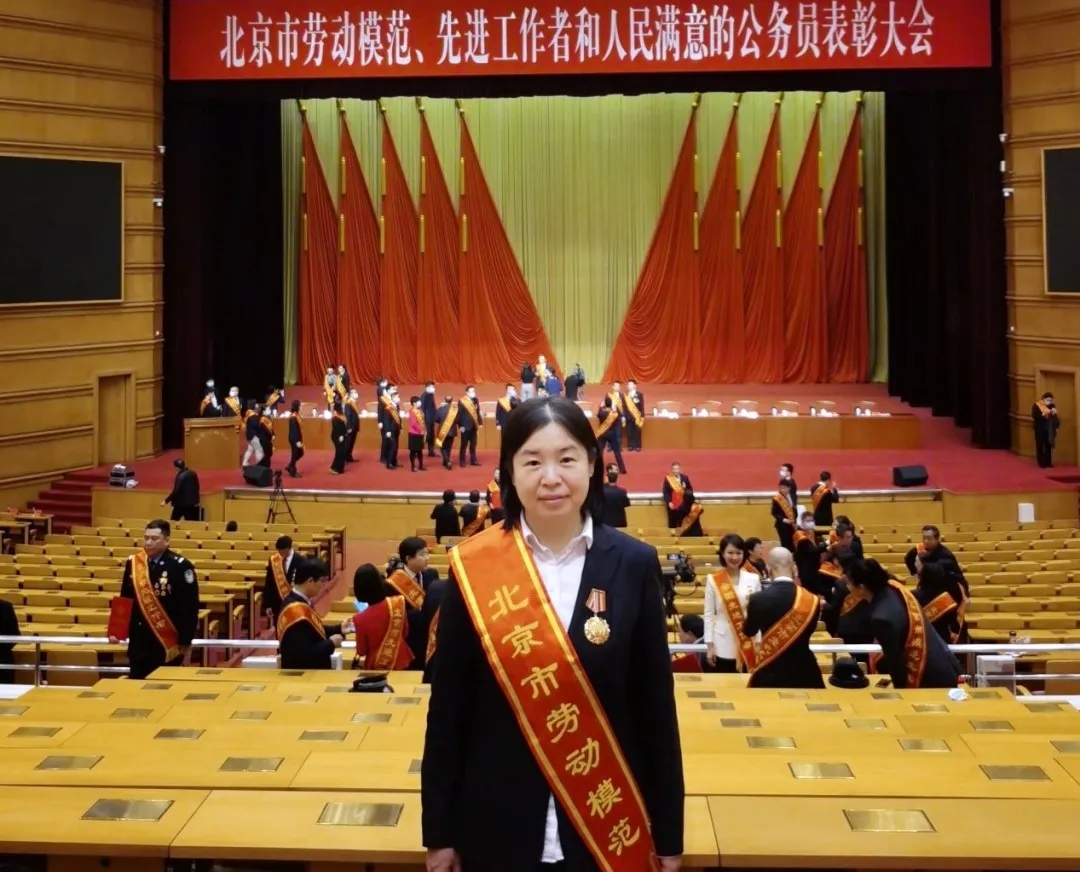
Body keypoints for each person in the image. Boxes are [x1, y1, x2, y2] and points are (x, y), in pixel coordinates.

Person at [422, 396, 684, 872]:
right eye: (532, 462)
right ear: (510, 471)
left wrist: (668, 836)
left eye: (566, 459)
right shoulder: (474, 567)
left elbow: (655, 714)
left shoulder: (634, 564)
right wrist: (438, 834)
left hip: (605, 829)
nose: (550, 478)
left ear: (591, 464)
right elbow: (448, 711)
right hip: (494, 830)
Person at [845, 557, 961, 689]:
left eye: (848, 583)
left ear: (861, 587)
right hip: (943, 661)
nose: (847, 587)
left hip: (929, 678)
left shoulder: (881, 619)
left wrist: (901, 693)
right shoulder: (893, 587)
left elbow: (895, 664)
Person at [114, 520, 200, 680]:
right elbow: (125, 598)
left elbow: (189, 607)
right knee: (136, 684)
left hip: (166, 641)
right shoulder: (134, 563)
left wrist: (185, 641)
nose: (148, 543)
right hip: (139, 640)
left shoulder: (180, 566)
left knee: (164, 686)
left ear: (166, 540)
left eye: (154, 539)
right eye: (146, 538)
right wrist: (117, 631)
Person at [742, 547, 824, 689]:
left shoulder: (757, 599)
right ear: (794, 568)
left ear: (769, 569)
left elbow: (749, 632)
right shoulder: (812, 600)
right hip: (805, 673)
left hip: (769, 670)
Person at [704, 533, 762, 673]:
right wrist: (709, 645)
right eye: (730, 553)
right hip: (722, 642)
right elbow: (709, 614)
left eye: (738, 553)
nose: (735, 557)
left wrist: (759, 639)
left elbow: (758, 613)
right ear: (722, 554)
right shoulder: (713, 580)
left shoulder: (754, 578)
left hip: (747, 639)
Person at [277, 559, 347, 670]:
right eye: (322, 581)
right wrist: (330, 644)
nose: (324, 586)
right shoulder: (294, 610)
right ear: (310, 581)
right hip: (304, 675)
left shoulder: (299, 600)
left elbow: (313, 629)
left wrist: (339, 628)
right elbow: (302, 653)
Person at [349, 563, 413, 670]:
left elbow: (361, 651)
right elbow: (405, 632)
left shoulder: (359, 619)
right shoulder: (398, 603)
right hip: (401, 660)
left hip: (376, 665)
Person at [262, 535, 299, 627]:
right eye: (279, 551)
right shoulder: (274, 560)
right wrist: (268, 605)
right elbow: (269, 583)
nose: (280, 554)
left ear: (289, 548)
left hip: (295, 603)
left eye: (283, 551)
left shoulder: (300, 560)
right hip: (277, 604)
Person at [1032, 391, 1061, 468]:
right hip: (1040, 428)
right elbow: (1035, 415)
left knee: (1048, 445)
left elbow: (1055, 417)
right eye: (1048, 400)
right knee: (1040, 445)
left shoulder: (1052, 406)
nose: (1049, 402)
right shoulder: (1037, 406)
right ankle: (1041, 462)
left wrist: (1054, 413)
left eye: (1051, 400)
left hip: (1049, 428)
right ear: (1043, 399)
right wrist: (1045, 414)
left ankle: (1048, 462)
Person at [285, 399, 304, 478]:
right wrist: (297, 441)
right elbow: (294, 430)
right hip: (294, 439)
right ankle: (293, 471)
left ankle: (290, 465)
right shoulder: (293, 417)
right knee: (295, 453)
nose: (301, 407)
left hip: (296, 438)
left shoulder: (296, 415)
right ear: (297, 406)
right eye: (300, 406)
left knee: (300, 453)